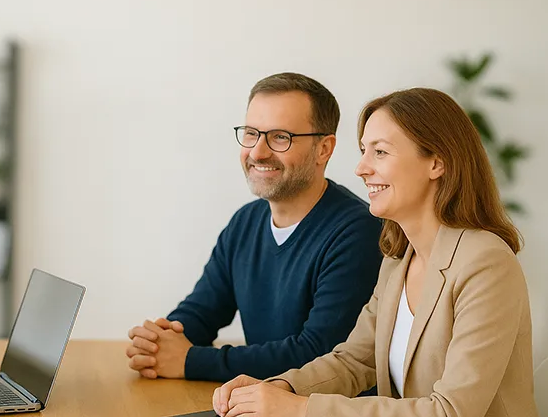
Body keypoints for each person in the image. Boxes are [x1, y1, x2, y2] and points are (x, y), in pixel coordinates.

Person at [212, 88, 548, 417]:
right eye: (363, 150)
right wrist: (279, 388)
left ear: (437, 162)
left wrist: (300, 410)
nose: (360, 168)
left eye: (380, 152)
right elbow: (354, 360)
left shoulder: (485, 263)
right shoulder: (398, 258)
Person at [126, 73, 383, 382]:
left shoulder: (358, 232)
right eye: (251, 134)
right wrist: (158, 341)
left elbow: (319, 354)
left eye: (279, 137)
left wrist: (190, 361)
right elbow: (201, 313)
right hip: (261, 406)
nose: (258, 152)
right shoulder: (246, 222)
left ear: (324, 149)